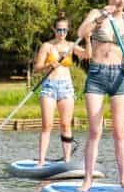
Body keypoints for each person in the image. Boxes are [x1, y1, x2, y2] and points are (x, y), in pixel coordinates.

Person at [75, 0, 124, 192]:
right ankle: (87, 180)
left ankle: (123, 179)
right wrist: (100, 18)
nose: (120, 1)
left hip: (120, 76)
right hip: (97, 75)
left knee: (119, 131)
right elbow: (81, 31)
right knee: (95, 131)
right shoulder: (96, 13)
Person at [33, 13, 87, 166]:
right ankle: (42, 160)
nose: (62, 33)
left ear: (68, 30)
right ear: (53, 29)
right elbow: (37, 68)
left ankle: (67, 160)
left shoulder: (71, 45)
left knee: (65, 124)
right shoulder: (47, 46)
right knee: (47, 125)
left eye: (64, 30)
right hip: (49, 86)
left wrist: (88, 40)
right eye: (59, 30)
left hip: (66, 87)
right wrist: (49, 65)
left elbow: (87, 55)